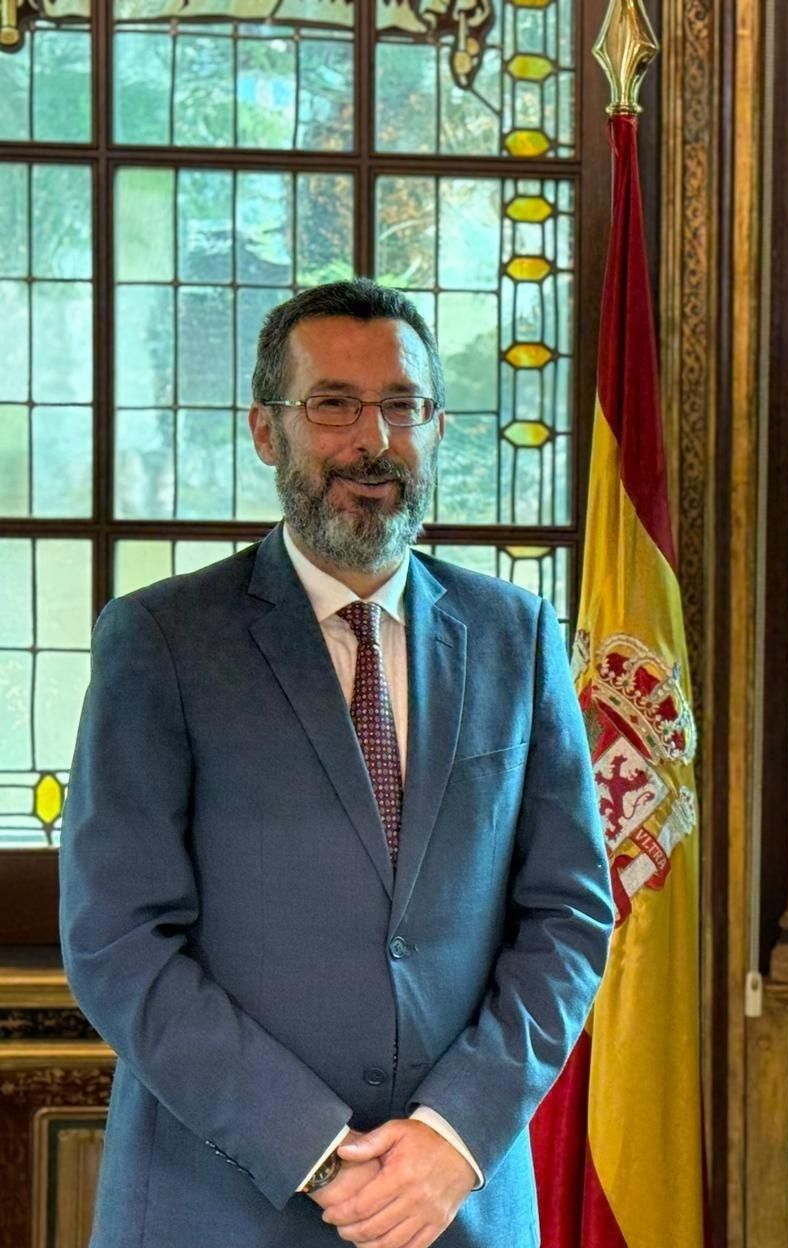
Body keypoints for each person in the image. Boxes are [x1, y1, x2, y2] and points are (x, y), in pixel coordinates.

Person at [60, 279, 613, 1248]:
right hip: (219, 1205)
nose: (373, 440)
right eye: (334, 405)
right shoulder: (162, 641)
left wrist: (451, 1136)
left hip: (459, 1203)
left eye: (402, 405)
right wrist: (318, 1150)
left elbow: (568, 915)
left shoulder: (515, 636)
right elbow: (118, 942)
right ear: (268, 432)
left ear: (436, 427)